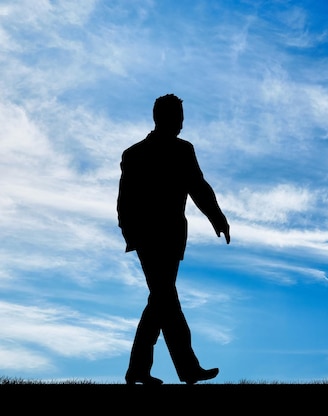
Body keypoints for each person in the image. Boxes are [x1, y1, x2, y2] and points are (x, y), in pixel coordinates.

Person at [117, 93, 231, 385]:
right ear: (164, 118)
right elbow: (125, 200)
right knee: (165, 300)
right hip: (151, 238)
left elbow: (198, 188)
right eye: (178, 117)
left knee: (160, 302)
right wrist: (131, 233)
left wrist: (217, 217)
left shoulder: (170, 151)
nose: (181, 123)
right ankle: (185, 368)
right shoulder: (139, 154)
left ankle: (140, 369)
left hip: (166, 239)